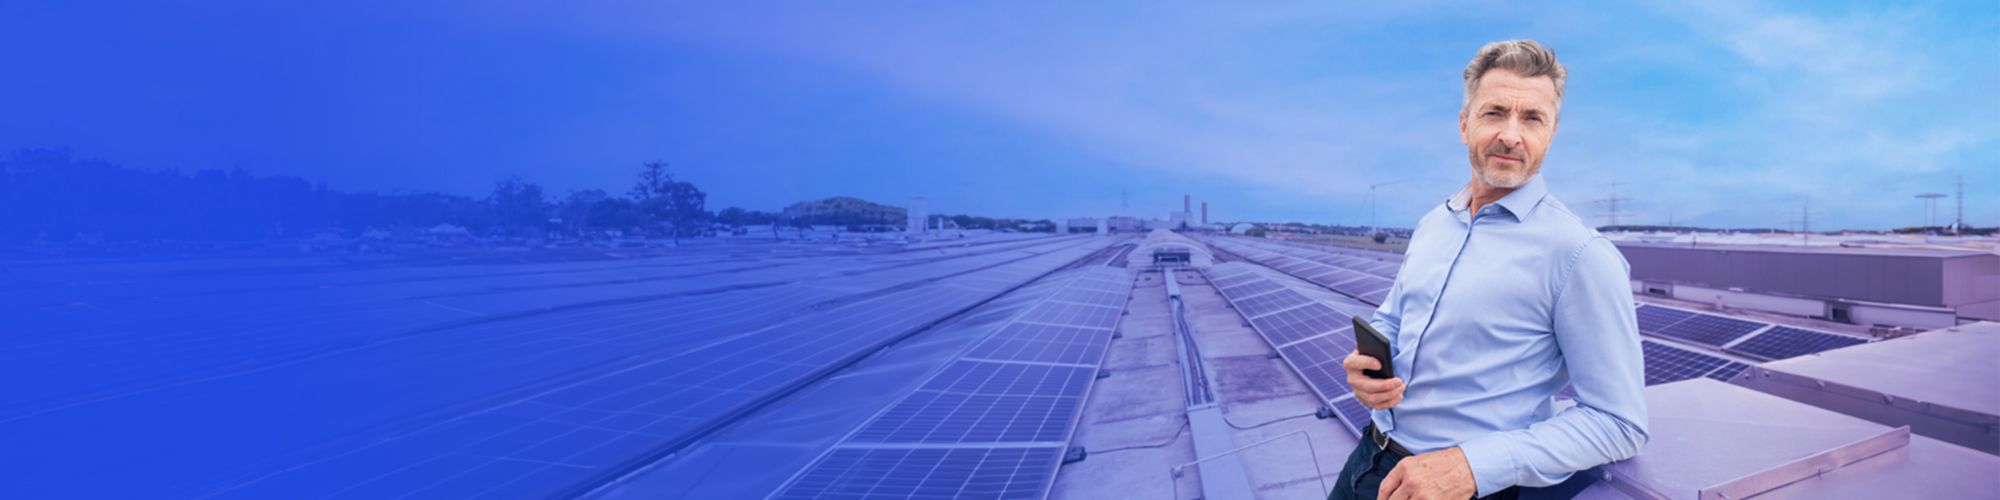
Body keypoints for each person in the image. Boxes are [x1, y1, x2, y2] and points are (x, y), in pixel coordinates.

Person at [1327, 40, 1649, 500]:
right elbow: (1394, 318)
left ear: (1551, 134)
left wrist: (1473, 466)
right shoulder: (1434, 223)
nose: (1511, 135)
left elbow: (1620, 424)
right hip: (1367, 460)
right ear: (1464, 125)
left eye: (1532, 118)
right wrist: (1368, 367)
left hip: (1461, 490)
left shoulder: (1579, 254)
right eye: (1494, 112)